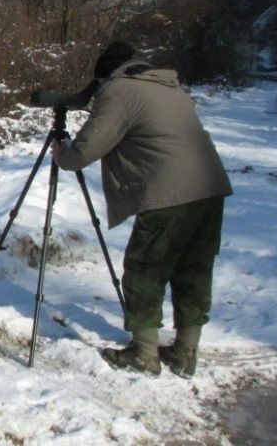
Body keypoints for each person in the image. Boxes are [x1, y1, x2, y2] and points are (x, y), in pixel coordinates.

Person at [50, 41, 232, 377]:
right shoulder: (167, 85)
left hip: (169, 193)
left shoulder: (118, 91)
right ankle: (185, 352)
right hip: (209, 186)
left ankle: (144, 354)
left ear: (104, 75)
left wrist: (64, 155)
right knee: (193, 270)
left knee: (144, 270)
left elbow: (85, 150)